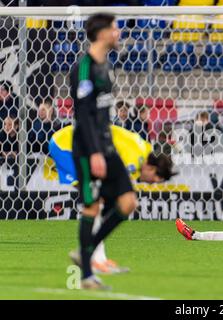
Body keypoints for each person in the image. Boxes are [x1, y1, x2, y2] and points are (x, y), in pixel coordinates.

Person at [49, 124, 176, 275]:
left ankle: (97, 258)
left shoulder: (144, 153)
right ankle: (93, 259)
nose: (151, 184)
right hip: (66, 146)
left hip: (84, 146)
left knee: (100, 203)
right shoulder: (133, 159)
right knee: (95, 203)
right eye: (154, 180)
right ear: (151, 169)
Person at [69, 13, 136, 290]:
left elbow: (101, 114)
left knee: (128, 202)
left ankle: (85, 253)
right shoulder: (82, 67)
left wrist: (107, 148)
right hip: (87, 148)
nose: (118, 32)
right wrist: (95, 153)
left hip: (106, 146)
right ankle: (86, 275)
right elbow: (83, 114)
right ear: (101, 33)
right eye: (114, 28)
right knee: (92, 206)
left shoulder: (107, 66)